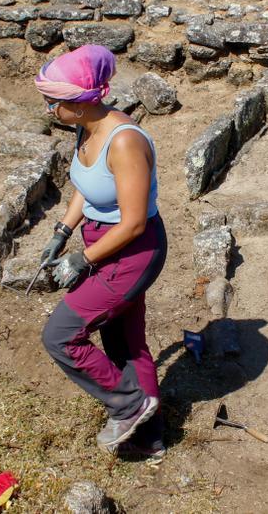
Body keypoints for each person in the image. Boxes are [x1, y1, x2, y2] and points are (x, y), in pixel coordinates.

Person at [33, 45, 168, 457]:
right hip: (102, 241)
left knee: (60, 335)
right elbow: (85, 184)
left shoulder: (124, 142)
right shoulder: (85, 128)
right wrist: (63, 231)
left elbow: (133, 223)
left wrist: (83, 259)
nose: (49, 108)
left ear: (81, 102)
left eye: (54, 101)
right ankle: (150, 440)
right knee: (126, 343)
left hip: (133, 252)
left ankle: (129, 404)